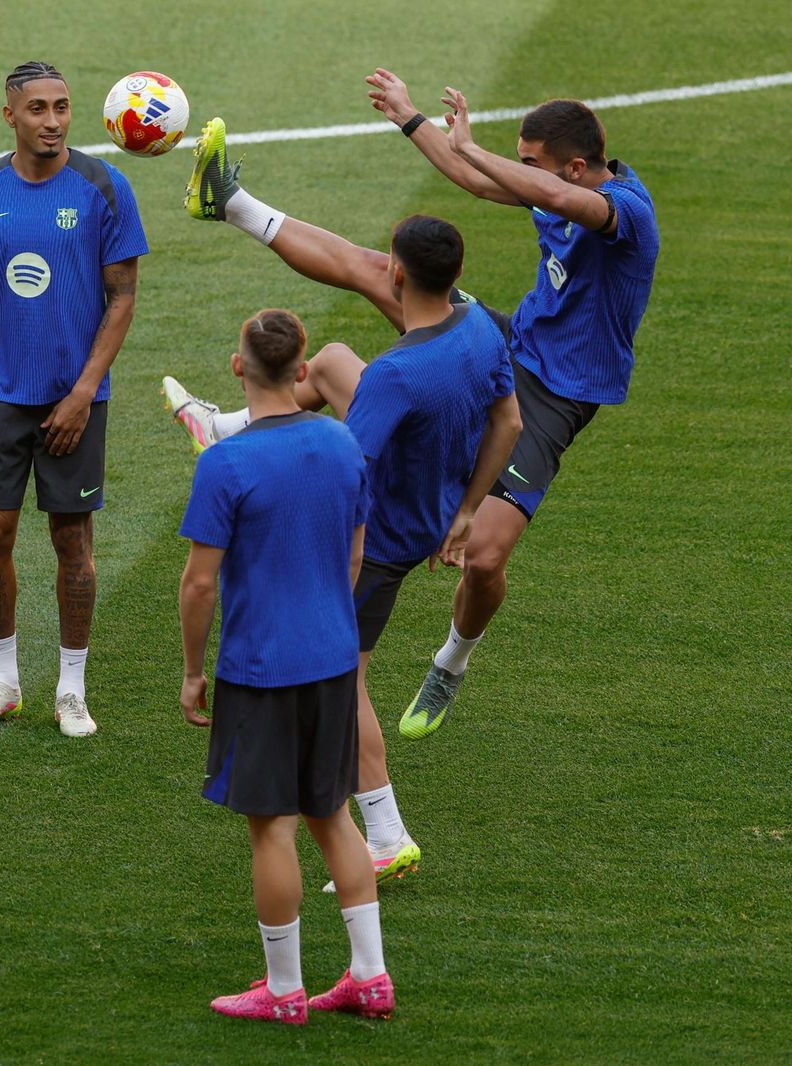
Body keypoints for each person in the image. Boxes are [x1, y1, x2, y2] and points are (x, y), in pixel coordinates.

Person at [176, 122, 523, 887]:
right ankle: (222, 424)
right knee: (333, 360)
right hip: (435, 506)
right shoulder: (479, 326)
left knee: (346, 679)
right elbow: (510, 423)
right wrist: (467, 511)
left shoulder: (397, 376)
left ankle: (388, 834)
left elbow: (343, 470)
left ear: (395, 271)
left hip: (386, 540)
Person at [369, 73, 659, 739]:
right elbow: (475, 180)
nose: (523, 172)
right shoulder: (558, 186)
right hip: (513, 343)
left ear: (577, 167)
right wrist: (410, 117)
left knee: (484, 557)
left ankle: (451, 661)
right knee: (371, 271)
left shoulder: (624, 212)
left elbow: (549, 194)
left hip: (559, 395)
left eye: (531, 161)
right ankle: (235, 207)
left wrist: (472, 147)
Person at [178, 309, 393, 1023]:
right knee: (332, 815)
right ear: (303, 371)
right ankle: (370, 976)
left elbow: (199, 584)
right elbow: (355, 554)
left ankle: (283, 989)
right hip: (332, 661)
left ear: (238, 367)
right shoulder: (342, 443)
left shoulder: (224, 464)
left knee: (272, 827)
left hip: (261, 669)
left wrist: (192, 671)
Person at [0, 61, 146, 737]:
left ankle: (71, 690)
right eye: (38, 109)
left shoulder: (104, 187)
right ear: (10, 116)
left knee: (71, 539)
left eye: (62, 107)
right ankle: (4, 681)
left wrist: (83, 392)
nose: (53, 121)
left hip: (75, 399)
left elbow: (122, 298)